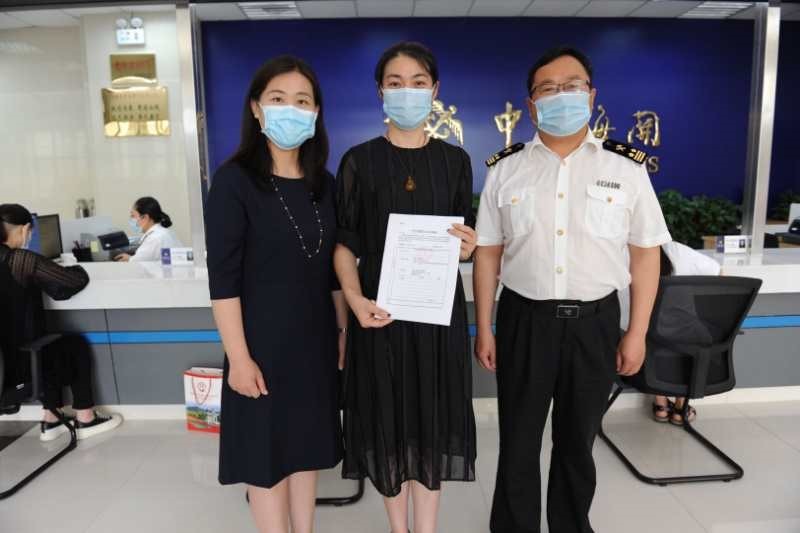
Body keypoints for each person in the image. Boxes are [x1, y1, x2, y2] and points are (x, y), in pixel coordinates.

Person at [473, 46, 671, 533]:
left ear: (591, 95)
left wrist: (637, 333)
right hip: (524, 320)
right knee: (518, 442)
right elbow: (488, 253)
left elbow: (645, 255)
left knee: (577, 442)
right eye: (548, 88)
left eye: (572, 86)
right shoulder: (506, 169)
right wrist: (485, 327)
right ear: (531, 104)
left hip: (595, 323)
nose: (561, 95)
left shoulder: (625, 169)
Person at [334, 41, 478, 533]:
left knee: (432, 419)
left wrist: (467, 247)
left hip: (437, 314)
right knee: (388, 420)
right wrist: (355, 301)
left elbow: (462, 237)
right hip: (379, 313)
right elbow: (344, 244)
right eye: (395, 83)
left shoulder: (455, 162)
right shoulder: (358, 162)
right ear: (381, 91)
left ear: (435, 90)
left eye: (418, 83)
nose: (407, 92)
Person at [205, 55, 346, 533]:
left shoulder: (323, 184)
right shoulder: (234, 182)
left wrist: (342, 331)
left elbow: (332, 270)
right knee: (265, 461)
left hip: (315, 343)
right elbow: (223, 282)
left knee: (305, 452)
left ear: (316, 112)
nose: (291, 109)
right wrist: (238, 359)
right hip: (260, 347)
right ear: (256, 108)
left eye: (302, 101)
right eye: (278, 98)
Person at [0, 203, 122, 441]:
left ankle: (51, 418)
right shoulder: (20, 260)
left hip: (4, 367)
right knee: (73, 346)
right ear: (24, 229)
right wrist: (78, 267)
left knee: (45, 344)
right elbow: (71, 281)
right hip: (21, 369)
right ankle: (86, 417)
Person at [619, 241, 721, 425]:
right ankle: (681, 406)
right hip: (689, 356)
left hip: (640, 364)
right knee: (686, 334)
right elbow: (719, 273)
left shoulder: (620, 255)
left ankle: (661, 404)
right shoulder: (678, 251)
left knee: (643, 333)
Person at [114, 197, 182, 262]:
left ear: (145, 217)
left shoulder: (154, 238)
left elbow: (138, 263)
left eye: (133, 216)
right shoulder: (164, 232)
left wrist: (129, 259)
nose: (131, 219)